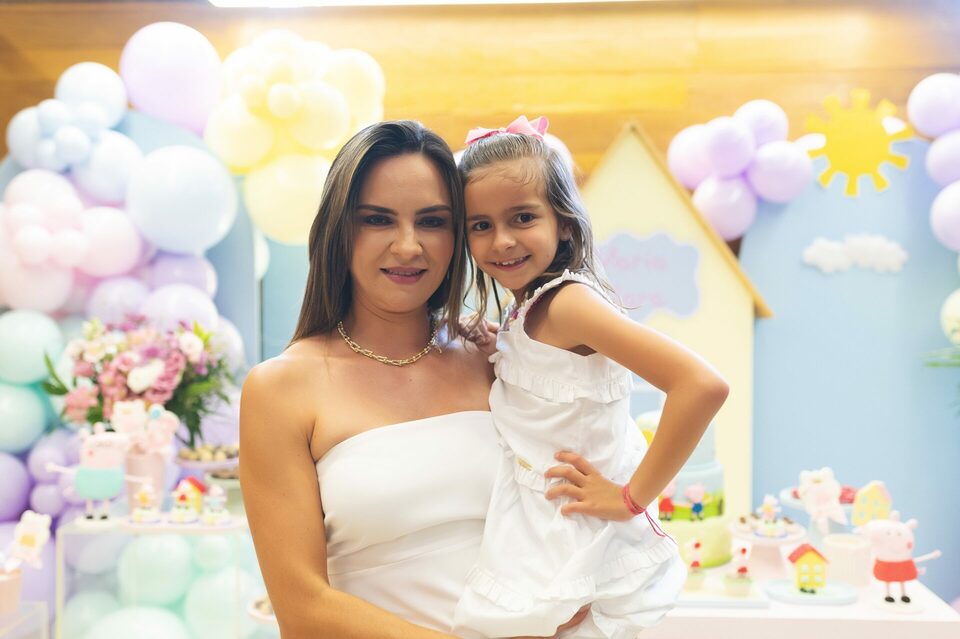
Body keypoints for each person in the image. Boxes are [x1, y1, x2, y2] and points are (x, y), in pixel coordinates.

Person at [240, 120, 593, 639]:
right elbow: (302, 609)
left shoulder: (495, 358)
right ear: (339, 230)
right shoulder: (282, 389)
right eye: (377, 219)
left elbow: (576, 484)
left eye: (432, 222)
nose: (408, 247)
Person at [451, 116, 730, 639]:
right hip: (545, 528)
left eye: (522, 217)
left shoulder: (569, 304)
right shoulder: (528, 310)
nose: (502, 241)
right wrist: (497, 346)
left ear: (563, 222)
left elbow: (701, 385)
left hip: (577, 536)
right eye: (480, 225)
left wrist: (630, 498)